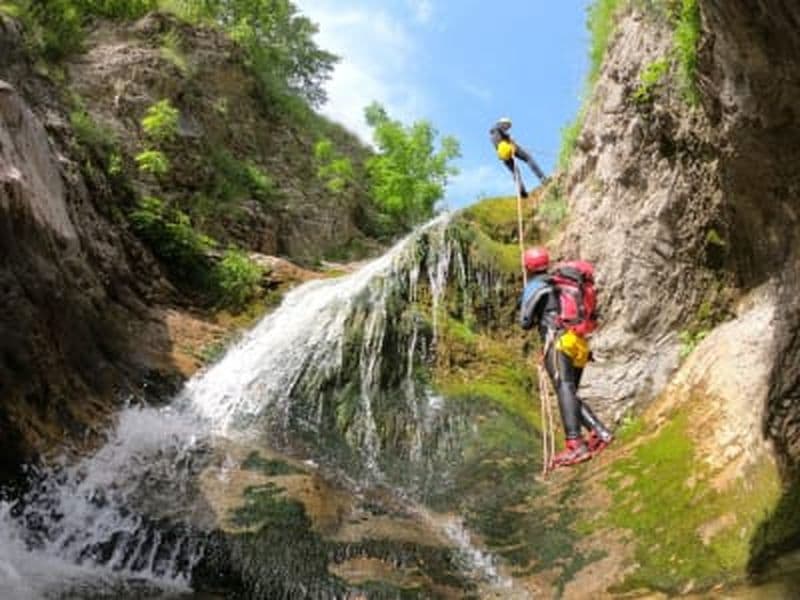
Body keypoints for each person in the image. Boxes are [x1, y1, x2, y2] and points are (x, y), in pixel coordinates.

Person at [519, 246, 613, 469]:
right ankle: (600, 432)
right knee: (569, 392)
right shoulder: (561, 283)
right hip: (579, 342)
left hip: (558, 341)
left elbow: (525, 322)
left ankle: (576, 445)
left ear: (528, 267)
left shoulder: (536, 285)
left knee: (564, 390)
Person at [489, 117, 547, 198]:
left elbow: (498, 139)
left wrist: (507, 137)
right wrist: (509, 137)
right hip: (508, 147)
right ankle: (542, 178)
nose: (508, 128)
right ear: (503, 123)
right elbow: (500, 129)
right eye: (508, 126)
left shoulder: (492, 134)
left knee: (515, 171)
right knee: (528, 158)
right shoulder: (497, 127)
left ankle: (521, 190)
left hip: (502, 154)